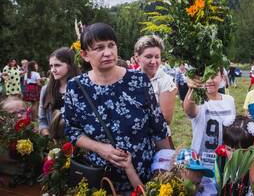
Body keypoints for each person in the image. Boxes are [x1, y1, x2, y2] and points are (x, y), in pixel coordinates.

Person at [63, 23, 170, 193]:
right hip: (101, 181)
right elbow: (72, 130)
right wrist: (100, 148)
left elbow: (158, 127)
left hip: (142, 178)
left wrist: (169, 167)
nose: (108, 52)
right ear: (84, 55)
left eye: (111, 45)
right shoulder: (76, 87)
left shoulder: (139, 80)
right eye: (99, 48)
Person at [184, 68, 236, 195]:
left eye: (213, 76)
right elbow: (189, 110)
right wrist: (192, 89)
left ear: (222, 77)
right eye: (205, 76)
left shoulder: (229, 100)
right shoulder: (198, 99)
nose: (209, 80)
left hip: (223, 163)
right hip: (201, 164)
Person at [134, 35, 177, 126]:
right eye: (148, 57)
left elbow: (166, 119)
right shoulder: (130, 78)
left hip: (156, 137)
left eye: (157, 57)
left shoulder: (166, 82)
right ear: (137, 57)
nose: (153, 62)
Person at [38, 47, 79, 140]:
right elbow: (42, 120)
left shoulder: (81, 88)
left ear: (70, 65)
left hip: (81, 144)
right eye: (51, 66)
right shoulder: (46, 90)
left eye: (57, 65)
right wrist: (48, 136)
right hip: (55, 143)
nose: (53, 70)